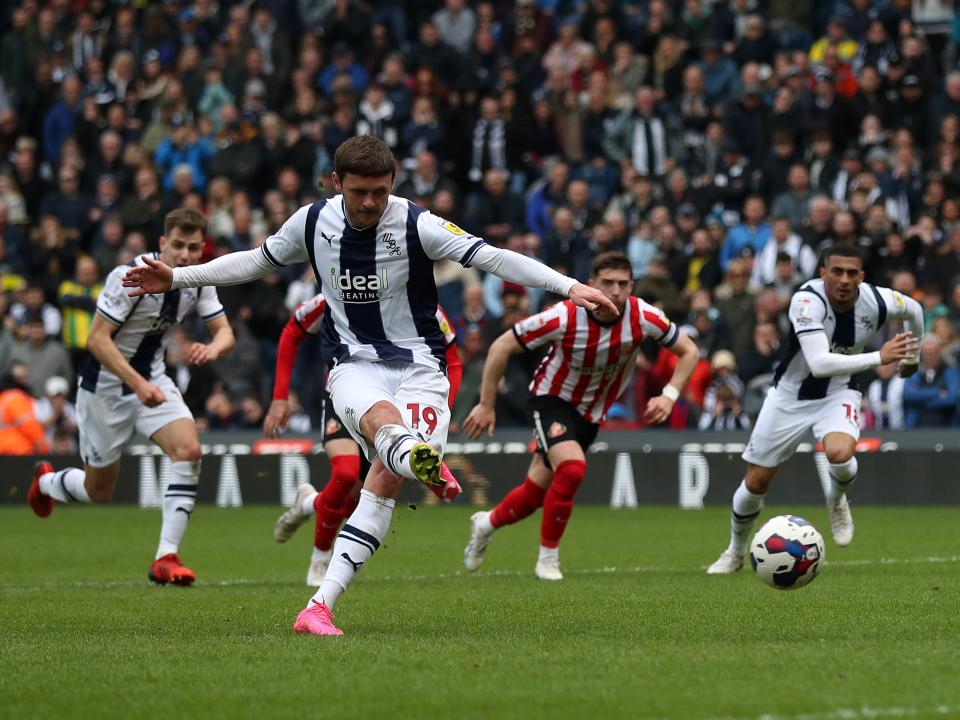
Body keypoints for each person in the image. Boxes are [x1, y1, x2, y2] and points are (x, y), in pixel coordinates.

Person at [121, 136, 616, 636]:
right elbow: (253, 261)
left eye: (381, 191)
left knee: (383, 482)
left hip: (422, 367)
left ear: (393, 183)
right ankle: (415, 455)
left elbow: (493, 258)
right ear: (337, 183)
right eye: (360, 192)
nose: (371, 203)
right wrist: (180, 278)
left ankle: (319, 606)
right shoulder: (312, 222)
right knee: (385, 428)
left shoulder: (416, 223)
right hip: (353, 363)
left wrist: (570, 287)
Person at [27, 208, 236, 586]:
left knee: (188, 450)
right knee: (99, 490)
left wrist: (213, 350)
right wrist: (138, 385)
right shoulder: (129, 277)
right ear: (162, 245)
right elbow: (96, 340)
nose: (186, 255)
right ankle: (45, 482)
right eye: (178, 246)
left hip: (152, 379)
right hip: (105, 388)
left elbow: (225, 333)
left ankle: (165, 558)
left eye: (193, 247)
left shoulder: (201, 280)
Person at [462, 252, 699, 580]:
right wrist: (486, 404)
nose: (615, 291)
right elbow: (502, 346)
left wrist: (670, 395)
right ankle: (548, 559)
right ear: (591, 285)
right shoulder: (563, 317)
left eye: (622, 284)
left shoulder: (644, 316)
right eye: (607, 283)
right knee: (572, 469)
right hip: (551, 400)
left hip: (591, 413)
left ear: (632, 286)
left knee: (534, 493)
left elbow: (690, 351)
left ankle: (485, 523)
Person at [706, 245, 923, 575]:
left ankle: (836, 500)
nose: (845, 280)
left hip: (840, 393)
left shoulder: (877, 301)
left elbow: (915, 310)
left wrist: (913, 357)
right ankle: (734, 551)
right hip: (789, 397)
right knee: (756, 482)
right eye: (837, 272)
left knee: (840, 453)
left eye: (852, 273)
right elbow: (820, 363)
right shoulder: (806, 301)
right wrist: (881, 357)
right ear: (823, 274)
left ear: (862, 277)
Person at [266, 292, 463, 585]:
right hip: (347, 391)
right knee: (345, 475)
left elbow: (452, 359)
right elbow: (293, 329)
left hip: (395, 402)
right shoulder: (338, 291)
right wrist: (280, 397)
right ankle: (320, 560)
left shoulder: (423, 301)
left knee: (358, 498)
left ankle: (308, 503)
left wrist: (441, 411)